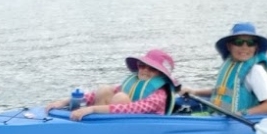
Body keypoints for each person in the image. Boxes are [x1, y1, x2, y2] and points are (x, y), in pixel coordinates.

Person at [46, 49, 179, 120]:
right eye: (142, 65)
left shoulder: (159, 95)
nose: (144, 70)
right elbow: (95, 95)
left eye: (151, 68)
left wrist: (91, 109)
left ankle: (93, 123)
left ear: (161, 74)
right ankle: (91, 122)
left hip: (142, 125)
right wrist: (65, 101)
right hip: (119, 120)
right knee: (105, 89)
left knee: (120, 97)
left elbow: (132, 109)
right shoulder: (136, 82)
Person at [184, 21, 267, 116]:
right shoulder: (232, 65)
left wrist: (243, 113)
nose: (244, 47)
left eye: (250, 43)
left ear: (256, 47)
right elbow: (222, 92)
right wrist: (195, 92)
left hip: (236, 121)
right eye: (238, 42)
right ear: (229, 46)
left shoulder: (256, 71)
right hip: (218, 116)